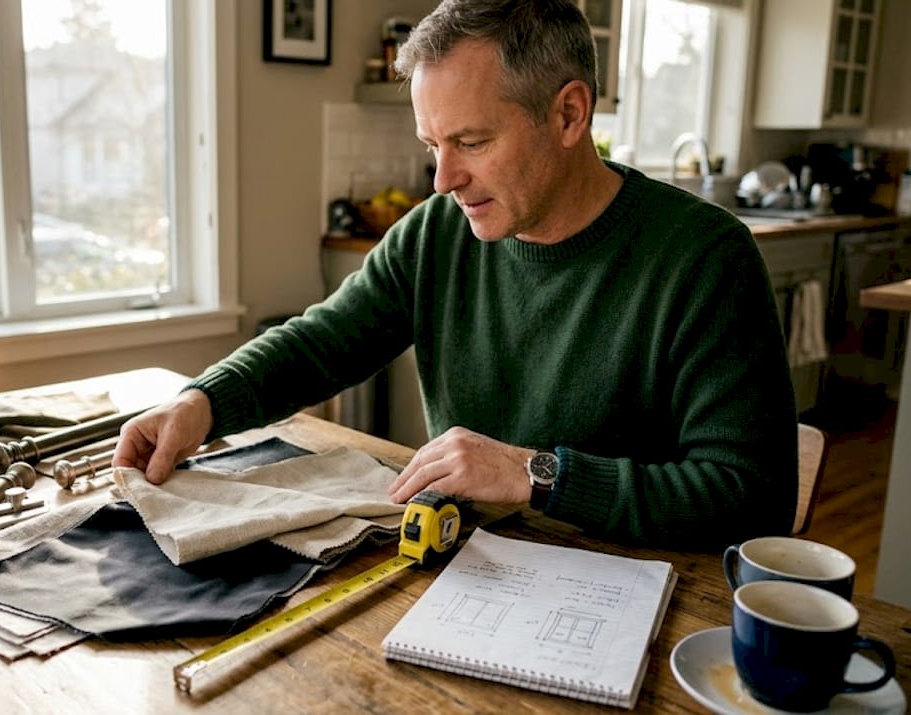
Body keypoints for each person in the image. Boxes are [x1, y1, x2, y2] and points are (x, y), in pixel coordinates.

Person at [115, 0, 796, 548]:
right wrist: (203, 402)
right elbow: (322, 339)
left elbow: (751, 497)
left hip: (643, 600)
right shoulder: (439, 232)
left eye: (471, 142)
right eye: (431, 146)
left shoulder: (706, 258)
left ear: (569, 114)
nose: (444, 180)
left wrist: (535, 473)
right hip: (469, 564)